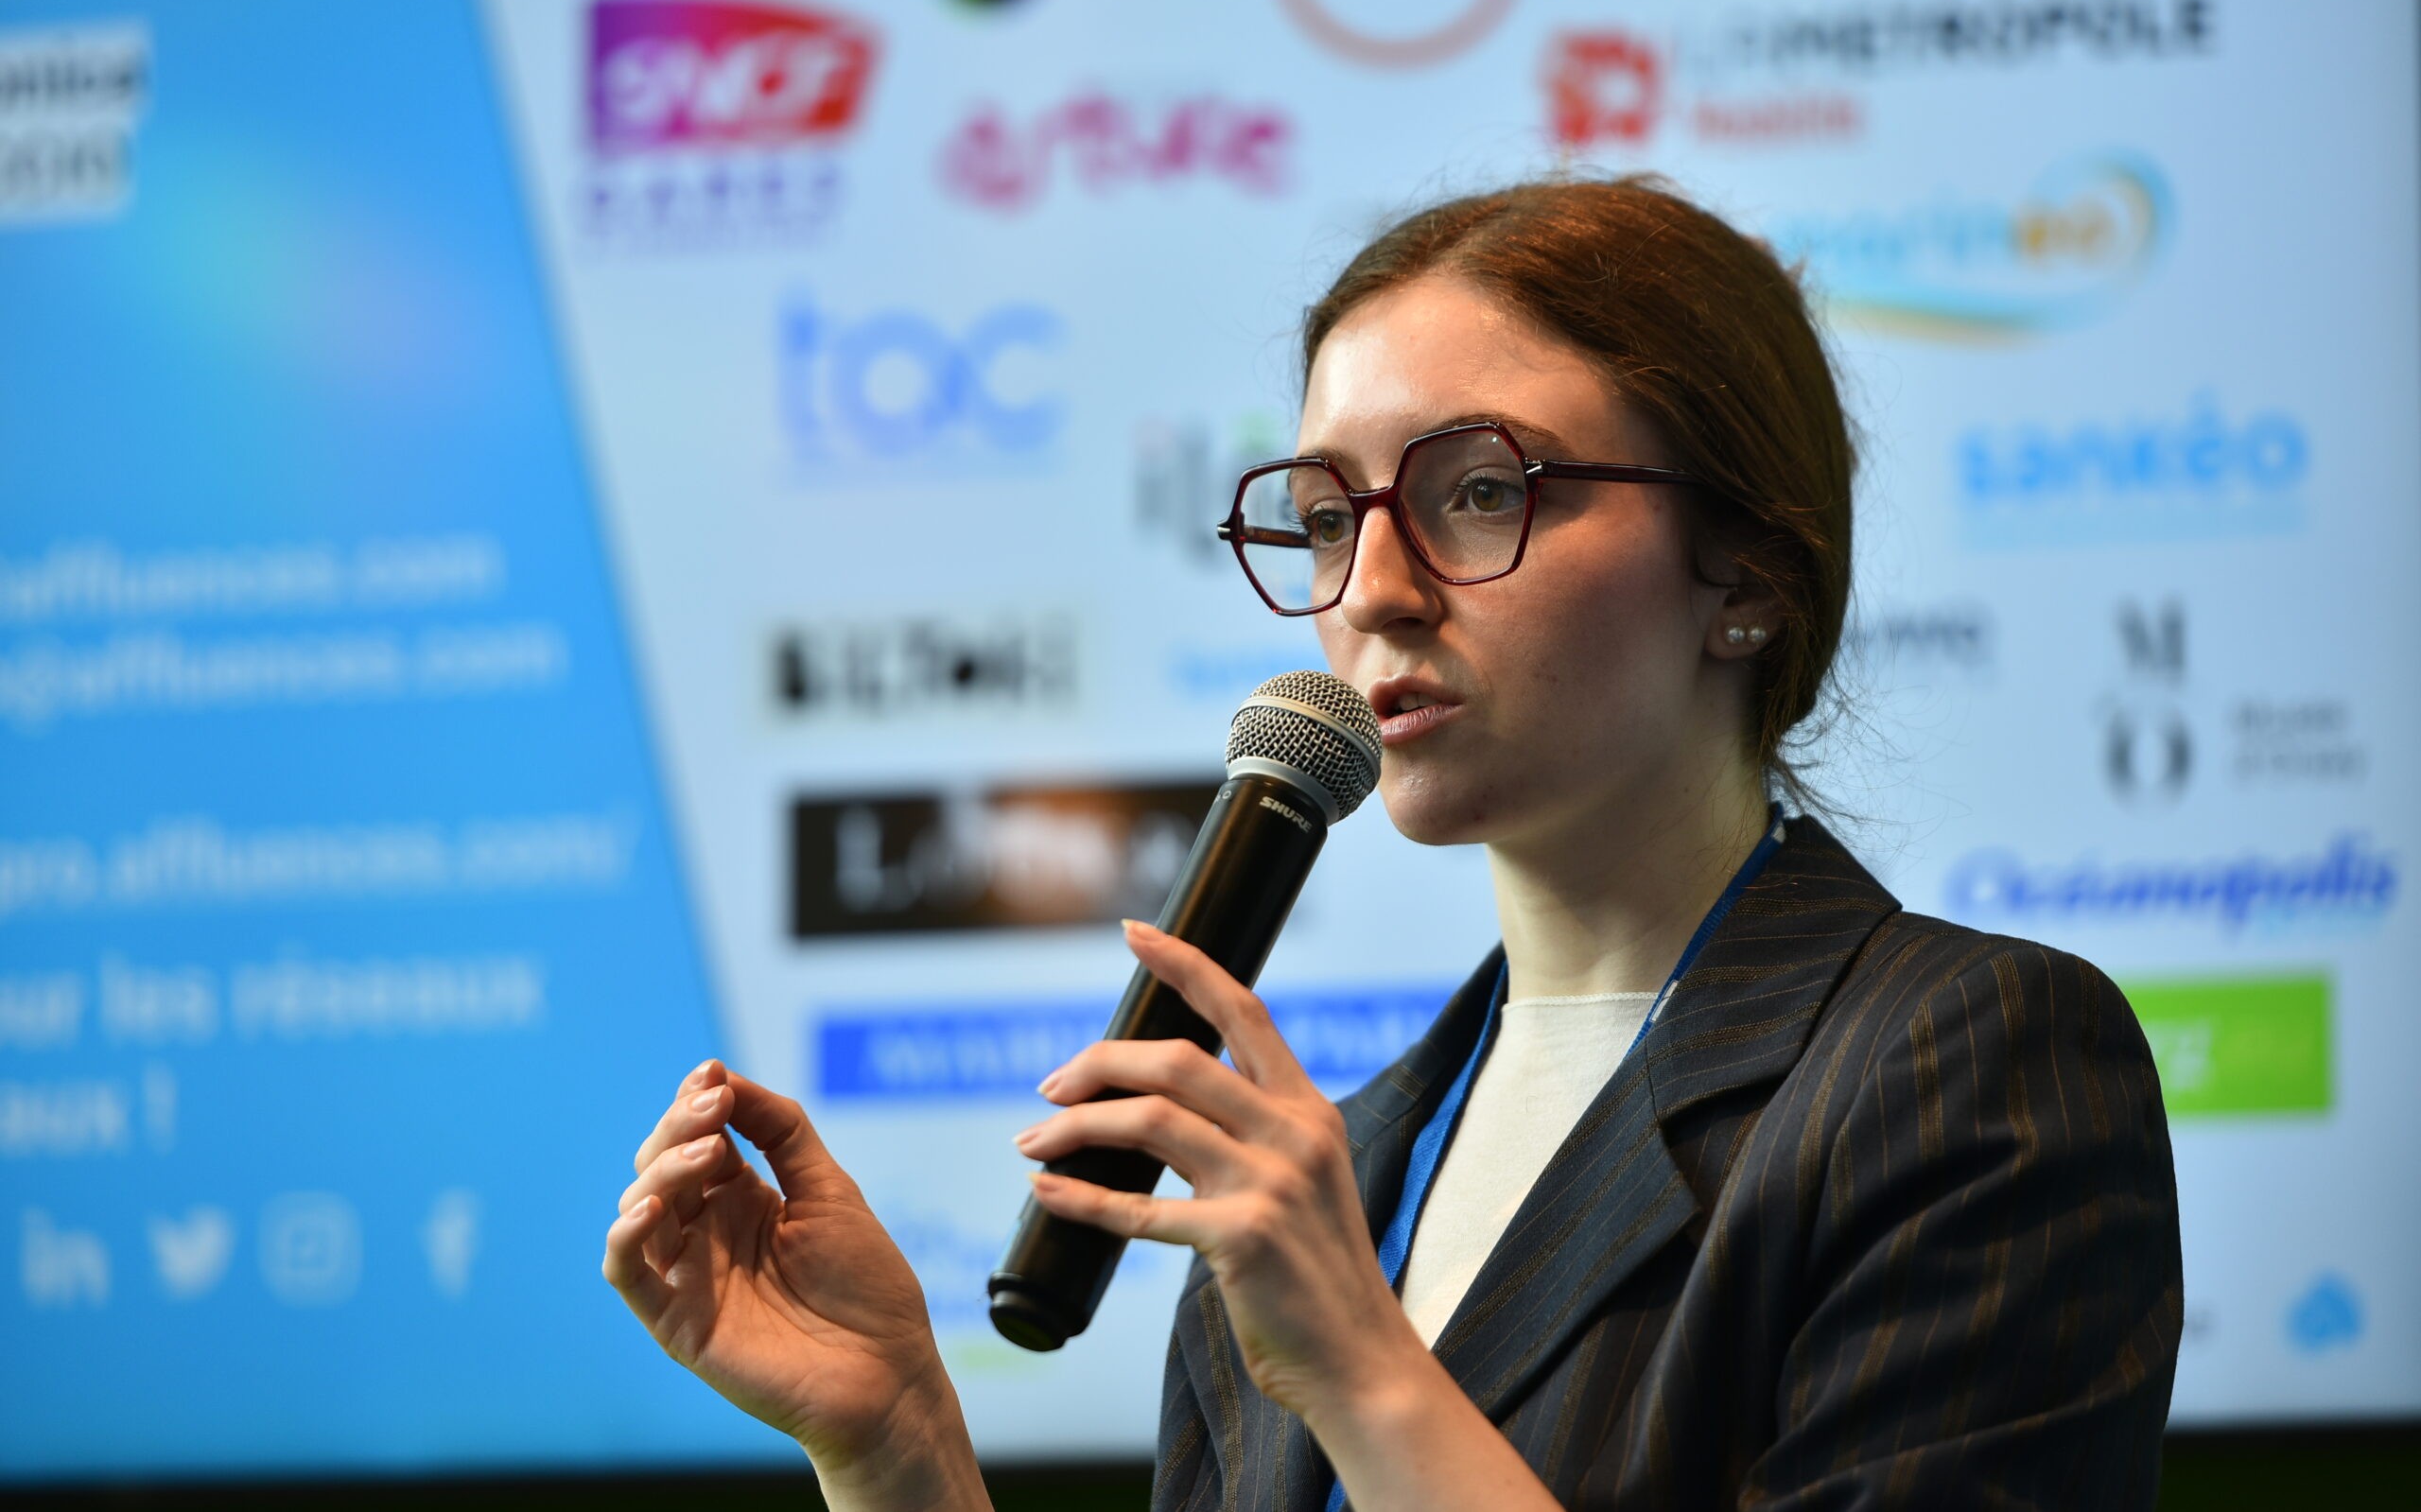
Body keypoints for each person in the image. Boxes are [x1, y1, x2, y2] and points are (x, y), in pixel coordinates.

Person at [601, 177, 2183, 1510]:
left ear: (1747, 572)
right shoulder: (1335, 1175)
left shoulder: (1961, 1065)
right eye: (1327, 514)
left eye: (1480, 489)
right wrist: (901, 1449)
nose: (1372, 589)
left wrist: (1363, 1363)